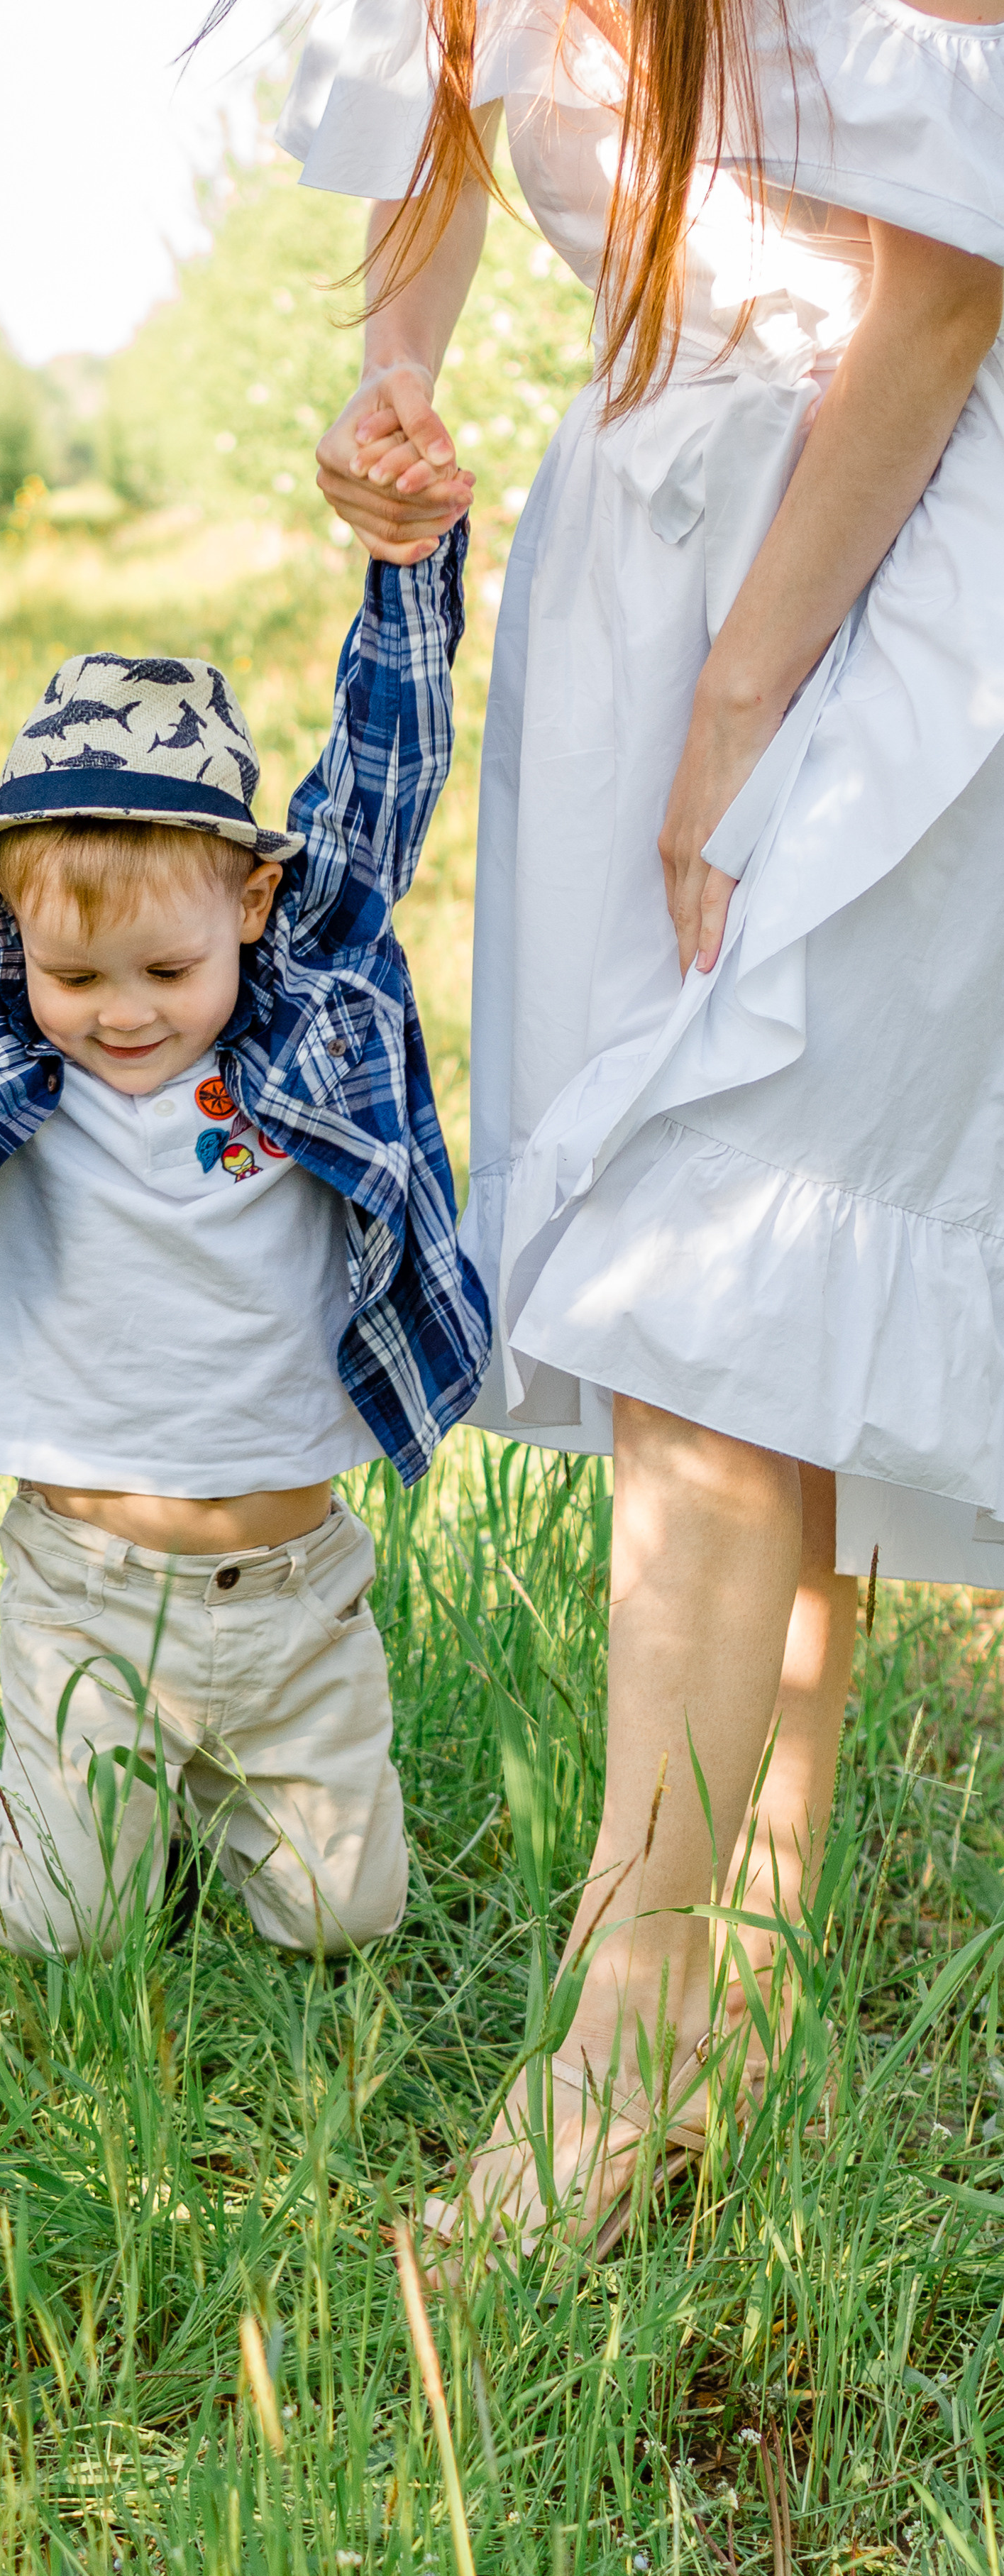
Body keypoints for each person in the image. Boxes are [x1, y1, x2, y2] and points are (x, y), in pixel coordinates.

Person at [284, 0, 1004, 2256]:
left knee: (720, 1270)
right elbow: (440, 146)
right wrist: (396, 380)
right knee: (740, 1326)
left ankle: (611, 2057)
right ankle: (732, 2020)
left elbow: (961, 263)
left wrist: (747, 693)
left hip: (860, 548)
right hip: (641, 554)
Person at [0, 469, 490, 1959]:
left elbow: (385, 781)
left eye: (168, 972)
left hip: (298, 1594)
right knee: (67, 1926)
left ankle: (167, 1818)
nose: (124, 1014)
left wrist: (408, 563)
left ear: (254, 908)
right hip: (88, 1590)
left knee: (345, 1917)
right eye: (78, 978)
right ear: (14, 931)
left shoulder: (309, 1009)